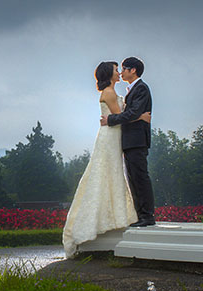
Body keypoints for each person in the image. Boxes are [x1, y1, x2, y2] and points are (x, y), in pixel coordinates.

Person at [62, 61, 151, 258]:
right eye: (116, 70)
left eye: (120, 70)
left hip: (114, 135)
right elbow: (123, 116)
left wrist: (126, 117)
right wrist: (142, 118)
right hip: (111, 136)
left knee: (112, 173)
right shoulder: (110, 93)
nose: (119, 72)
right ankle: (109, 217)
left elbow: (122, 115)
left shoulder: (113, 91)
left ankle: (115, 216)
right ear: (109, 74)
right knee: (108, 172)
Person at [102, 56, 155, 226]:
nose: (122, 72)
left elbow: (132, 113)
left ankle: (147, 216)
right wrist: (140, 116)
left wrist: (110, 120)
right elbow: (135, 114)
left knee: (140, 177)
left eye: (124, 68)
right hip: (130, 141)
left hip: (137, 140)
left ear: (133, 70)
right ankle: (141, 216)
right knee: (133, 178)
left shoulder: (141, 88)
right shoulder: (132, 90)